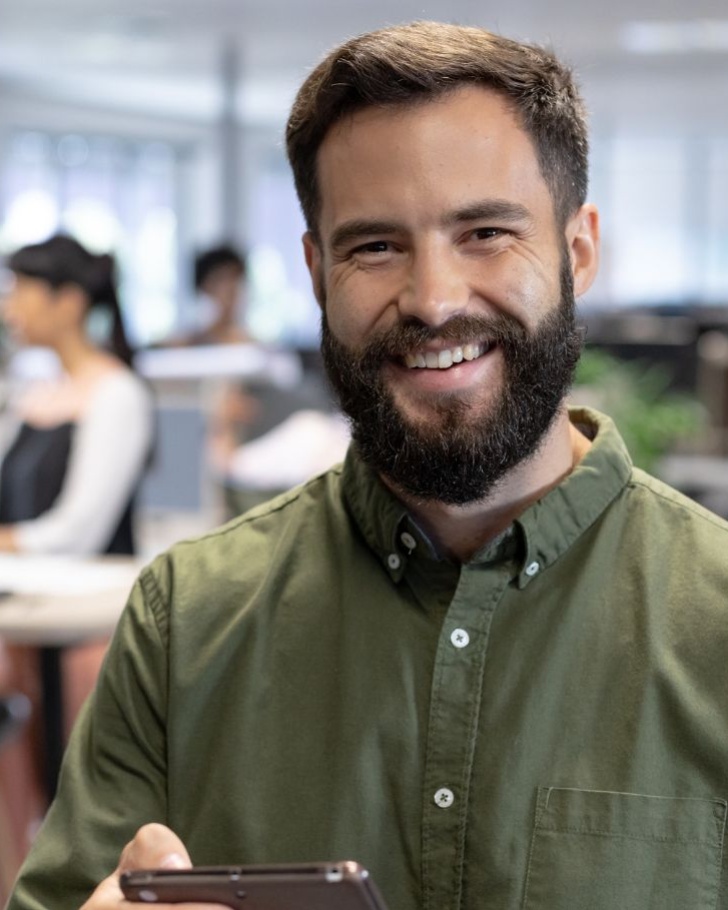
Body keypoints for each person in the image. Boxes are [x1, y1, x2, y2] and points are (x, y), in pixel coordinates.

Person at [8, 22, 728, 910]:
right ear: (317, 271)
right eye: (375, 247)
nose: (431, 300)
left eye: (486, 233)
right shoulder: (185, 623)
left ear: (578, 252)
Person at [0, 234, 153, 554]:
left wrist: (8, 542)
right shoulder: (35, 391)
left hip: (81, 597)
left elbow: (78, 533)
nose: (7, 309)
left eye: (20, 292)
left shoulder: (117, 394)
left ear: (69, 302)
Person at [161, 243, 249, 347]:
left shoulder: (251, 345)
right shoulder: (185, 343)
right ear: (204, 287)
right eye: (222, 280)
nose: (231, 289)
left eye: (236, 280)